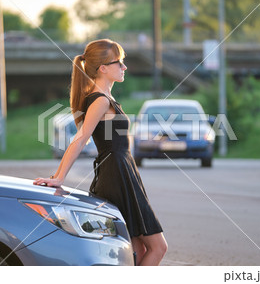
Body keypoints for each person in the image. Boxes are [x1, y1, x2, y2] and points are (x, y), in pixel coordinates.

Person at [33, 39, 167, 266]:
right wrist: (59, 177)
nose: (124, 67)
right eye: (120, 63)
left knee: (137, 251)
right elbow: (81, 138)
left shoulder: (106, 98)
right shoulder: (100, 100)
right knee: (157, 247)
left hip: (123, 172)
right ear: (103, 68)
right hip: (116, 174)